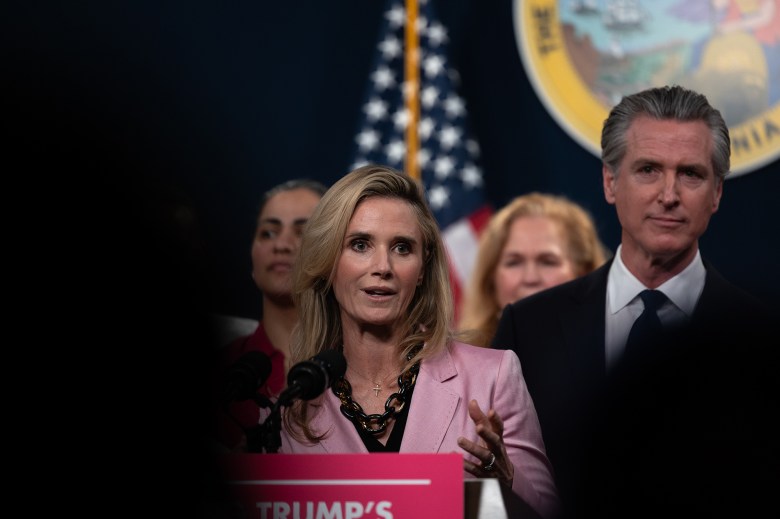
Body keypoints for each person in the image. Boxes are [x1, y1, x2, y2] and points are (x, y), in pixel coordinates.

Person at [491, 85, 778, 518]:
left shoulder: (761, 339)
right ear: (610, 182)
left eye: (691, 174)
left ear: (717, 193)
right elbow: (491, 490)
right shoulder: (529, 329)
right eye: (648, 170)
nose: (669, 195)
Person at [276, 165, 560, 518]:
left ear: (422, 268)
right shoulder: (290, 410)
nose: (383, 266)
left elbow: (548, 512)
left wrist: (507, 481)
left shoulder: (493, 376)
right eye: (360, 245)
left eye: (402, 247)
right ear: (328, 261)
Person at [215, 178, 327, 450]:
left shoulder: (366, 371)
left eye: (302, 232)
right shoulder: (218, 370)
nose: (281, 245)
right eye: (268, 233)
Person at [459, 192, 609, 347]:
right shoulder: (464, 359)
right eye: (514, 263)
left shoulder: (614, 356)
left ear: (584, 274)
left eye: (548, 262)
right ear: (491, 280)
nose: (530, 278)